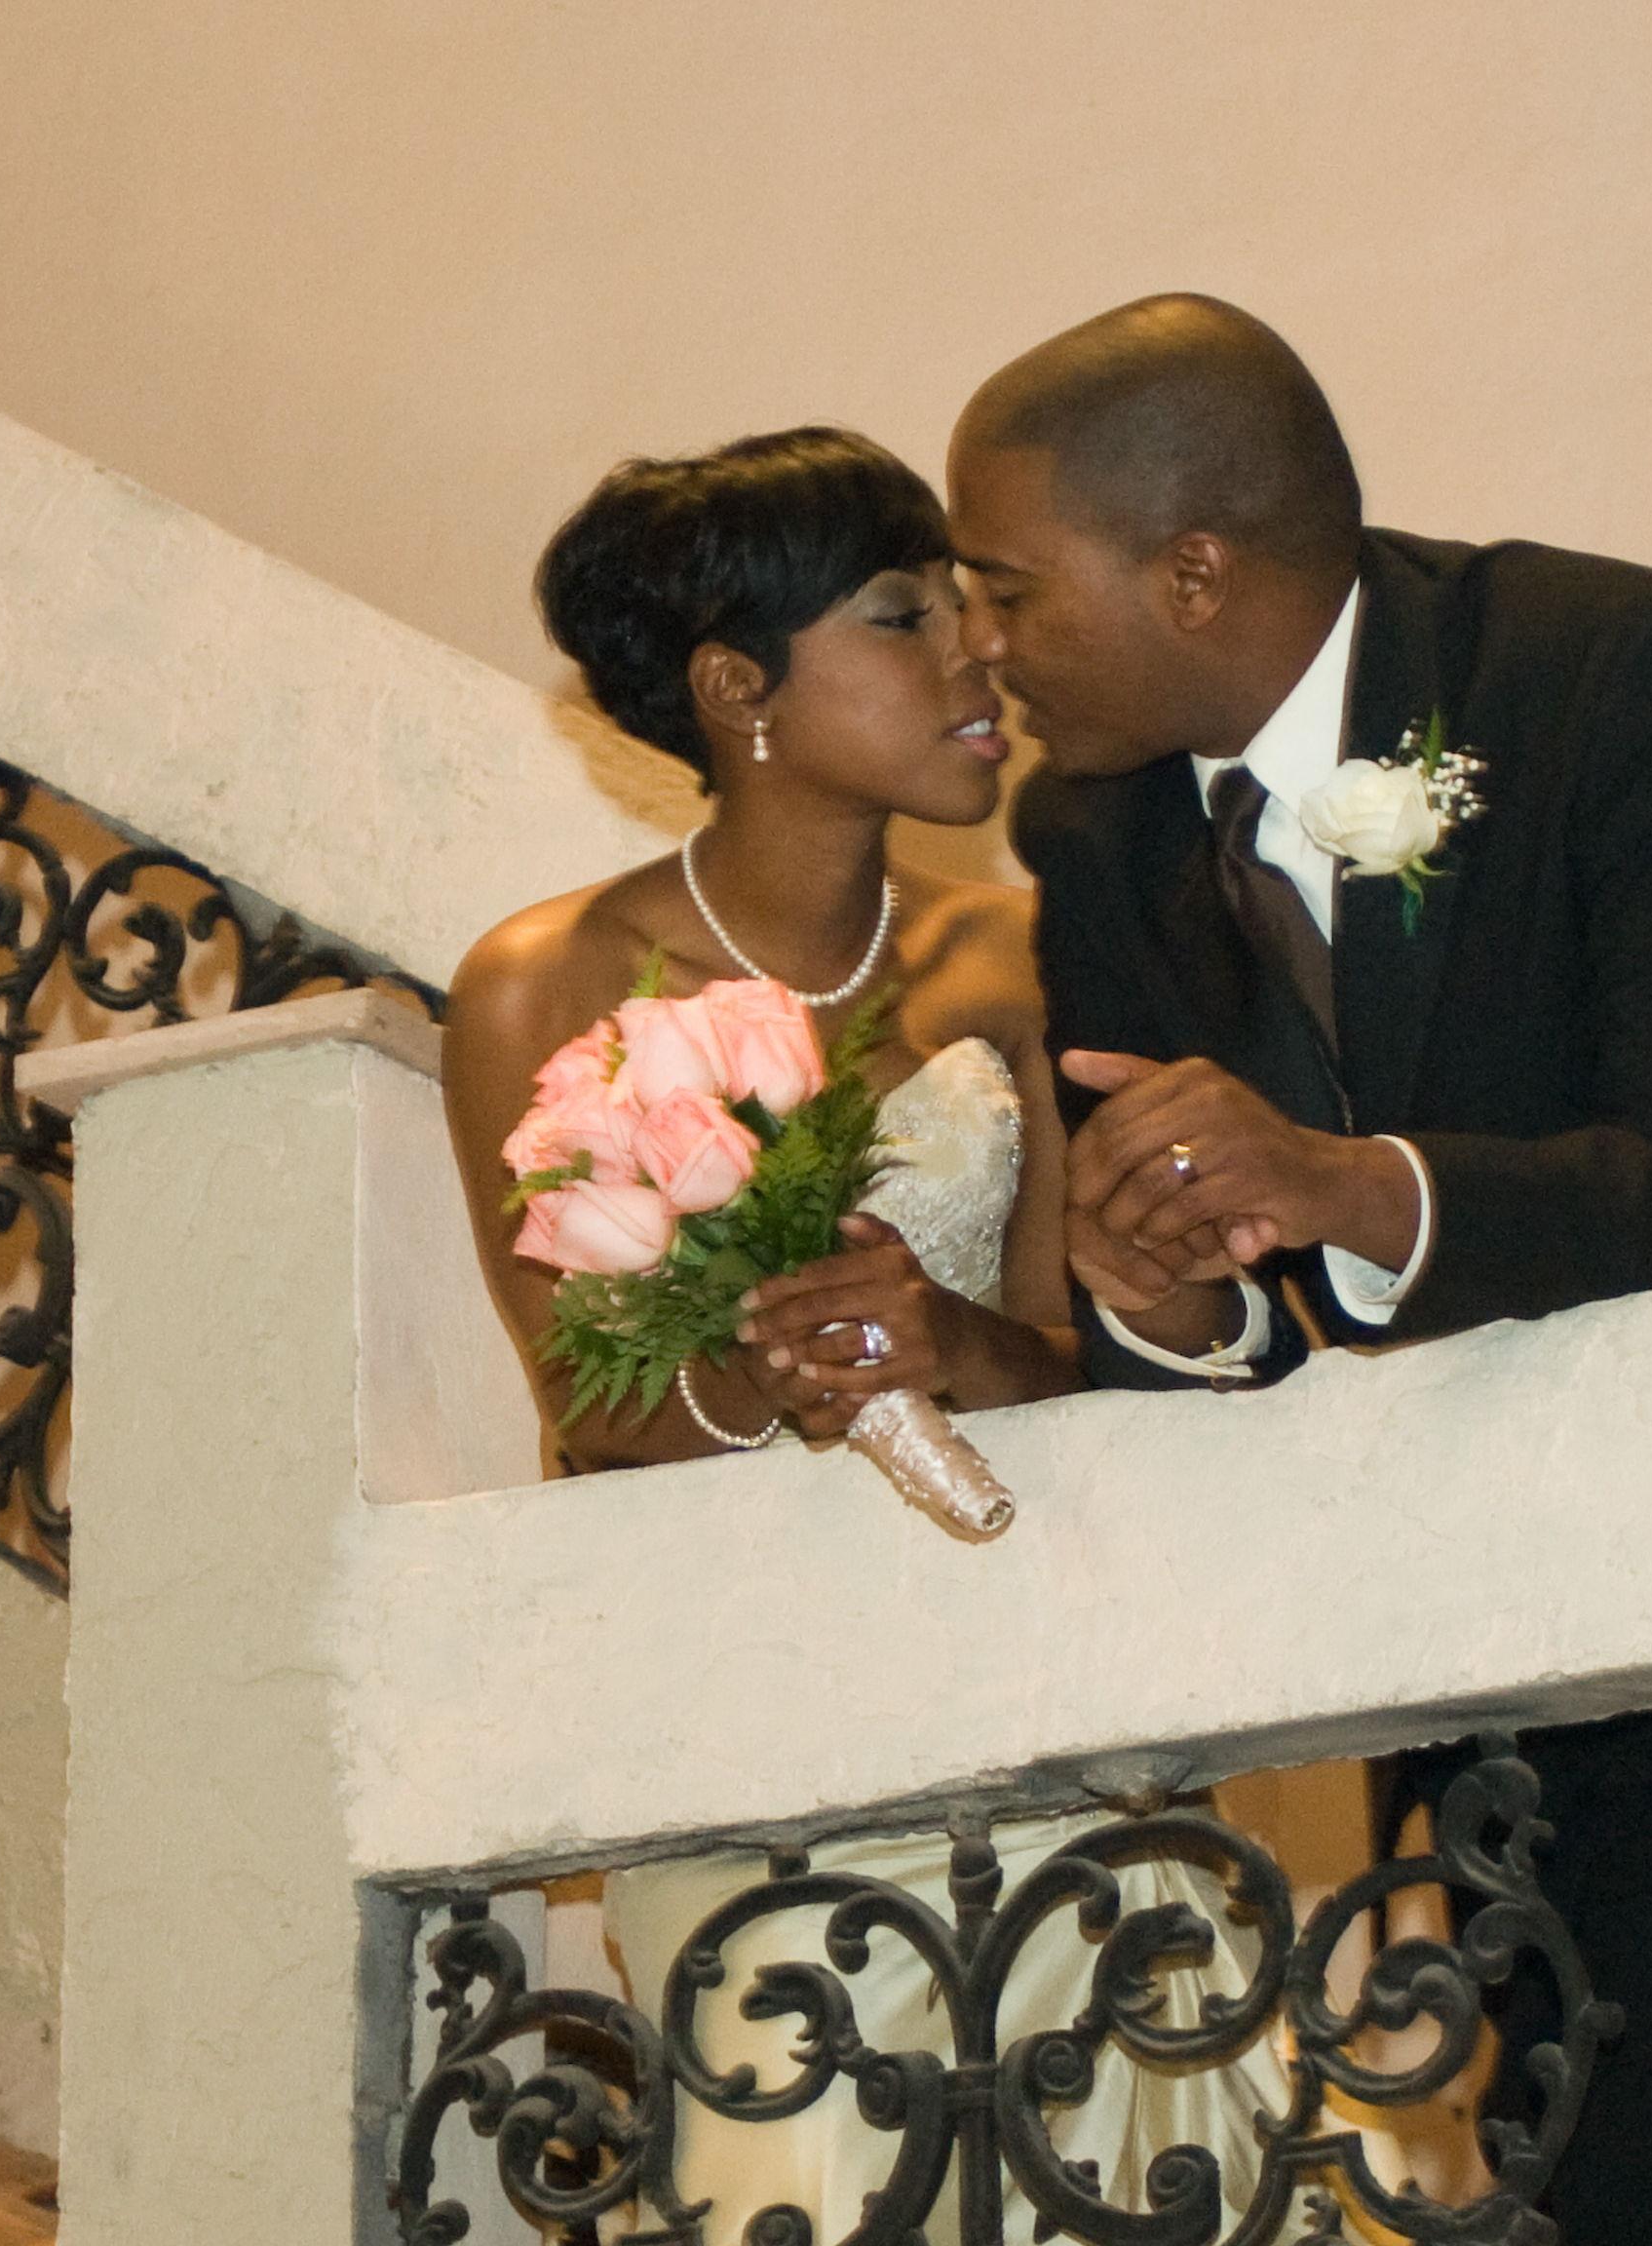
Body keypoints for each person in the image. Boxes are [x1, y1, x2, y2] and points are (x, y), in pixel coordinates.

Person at [950, 294, 1652, 2239]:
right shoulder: (1101, 829)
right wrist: (1167, 1295)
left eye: (1009, 589)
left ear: (1192, 571)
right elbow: (1235, 1337)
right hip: (1492, 1702)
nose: (982, 644)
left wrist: (1347, 1189)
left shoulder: (1611, 675)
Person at [440, 426, 1261, 2231]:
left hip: (1038, 1699)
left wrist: (946, 1345)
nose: (981, 657)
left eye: (972, 607)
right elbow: (586, 1396)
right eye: (907, 617)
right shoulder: (540, 982)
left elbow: (1077, 1368)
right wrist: (767, 1367)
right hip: (747, 1724)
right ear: (739, 688)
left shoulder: (1020, 959)